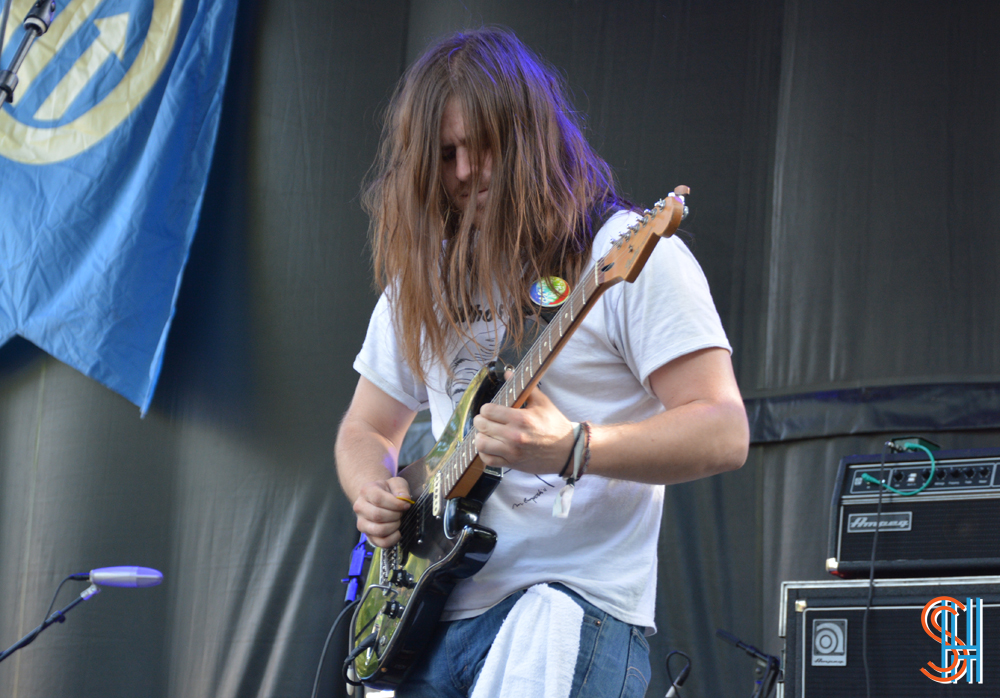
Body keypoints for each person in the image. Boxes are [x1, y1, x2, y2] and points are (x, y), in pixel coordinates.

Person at [335, 28, 749, 698]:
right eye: (446, 155)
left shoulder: (621, 253)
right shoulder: (419, 284)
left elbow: (723, 430)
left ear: (530, 134)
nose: (468, 170)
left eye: (486, 144)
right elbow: (366, 430)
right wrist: (372, 489)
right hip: (429, 619)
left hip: (571, 611)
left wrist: (573, 448)